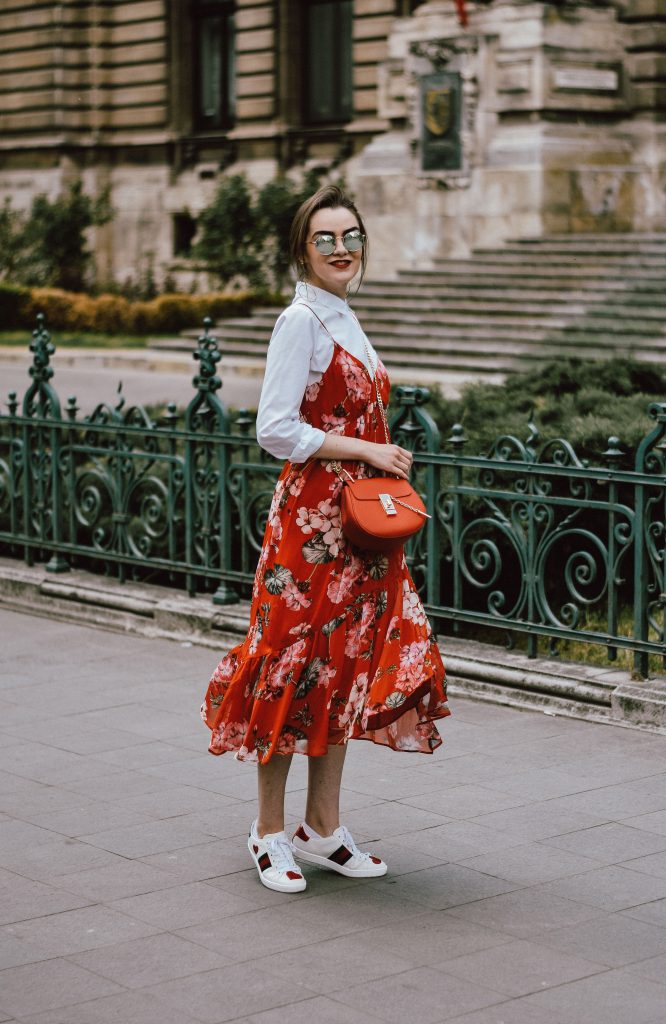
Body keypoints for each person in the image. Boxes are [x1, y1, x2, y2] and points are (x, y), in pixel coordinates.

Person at [201, 184, 449, 894]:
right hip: (310, 530)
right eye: (325, 239)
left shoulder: (344, 316)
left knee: (342, 669)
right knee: (290, 664)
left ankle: (322, 828)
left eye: (351, 236)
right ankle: (268, 832)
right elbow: (274, 428)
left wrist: (371, 455)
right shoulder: (299, 320)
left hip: (357, 530)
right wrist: (368, 452)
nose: (342, 249)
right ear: (302, 252)